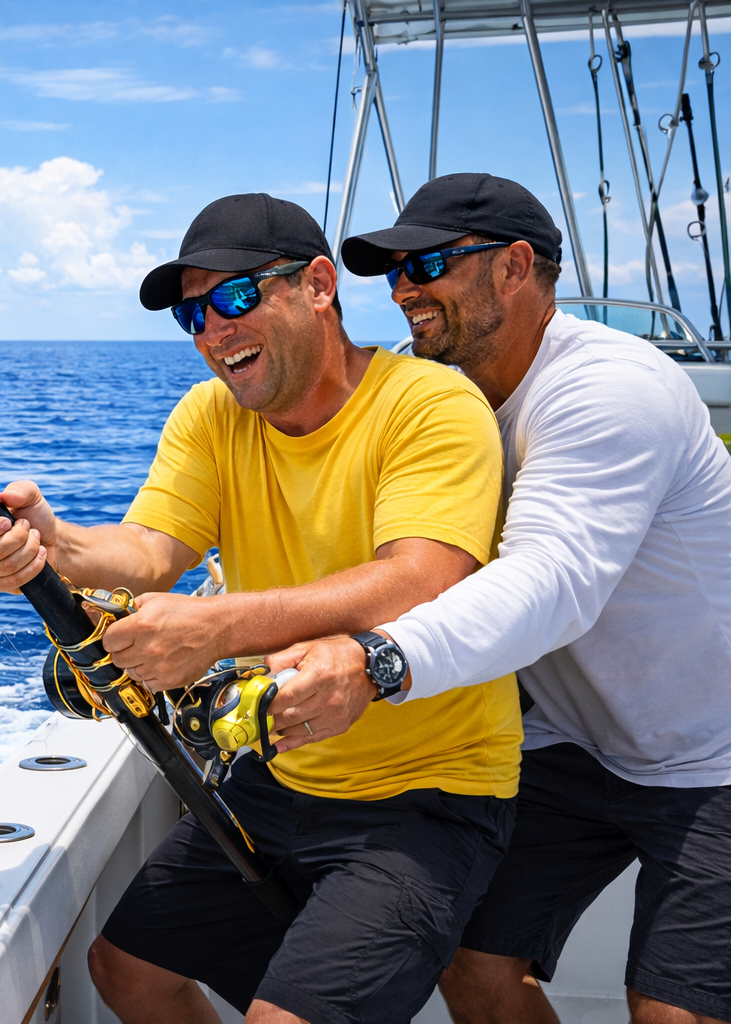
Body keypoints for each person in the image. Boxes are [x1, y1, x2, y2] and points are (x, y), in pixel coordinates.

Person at [0, 193, 523, 1024]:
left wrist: (214, 627)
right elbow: (151, 552)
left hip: (429, 796)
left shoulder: (430, 404)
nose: (213, 330)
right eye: (194, 314)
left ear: (319, 286)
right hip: (281, 774)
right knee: (127, 972)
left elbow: (421, 578)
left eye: (235, 296)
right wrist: (53, 543)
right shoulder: (209, 415)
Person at [268, 173, 731, 1024]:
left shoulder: (609, 390)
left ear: (516, 267)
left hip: (714, 753)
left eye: (428, 266)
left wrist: (377, 661)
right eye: (394, 273)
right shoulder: (441, 397)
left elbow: (550, 579)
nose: (403, 291)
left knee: (671, 1010)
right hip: (575, 741)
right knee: (471, 962)